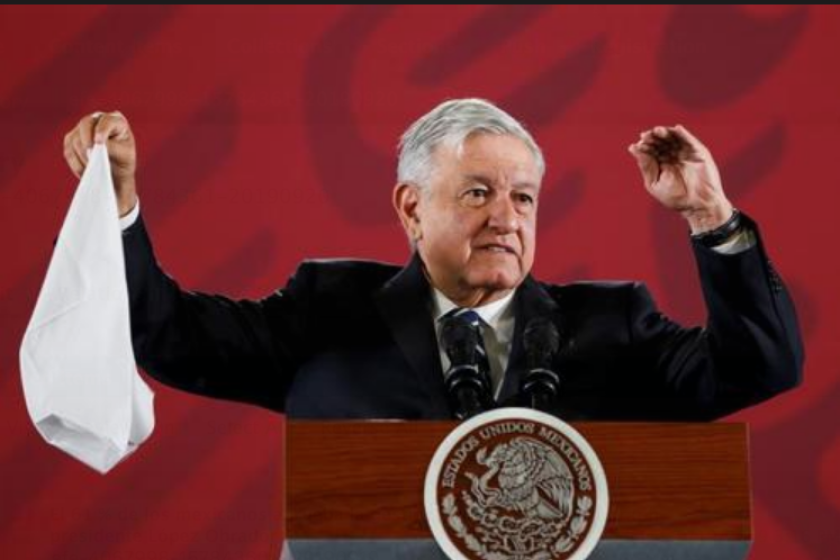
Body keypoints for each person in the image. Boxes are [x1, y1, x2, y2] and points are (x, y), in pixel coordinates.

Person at [61, 99, 803, 420]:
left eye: (524, 198)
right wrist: (119, 203)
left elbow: (760, 368)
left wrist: (710, 216)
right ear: (411, 208)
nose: (507, 219)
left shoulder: (617, 322)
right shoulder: (327, 309)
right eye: (478, 192)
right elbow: (171, 337)